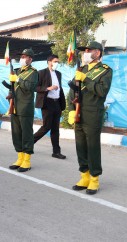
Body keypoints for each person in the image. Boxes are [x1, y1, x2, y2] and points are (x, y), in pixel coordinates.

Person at [68, 41, 112, 195]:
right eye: (84, 50)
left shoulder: (105, 71)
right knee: (80, 146)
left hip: (93, 114)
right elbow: (72, 92)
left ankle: (94, 179)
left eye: (88, 50)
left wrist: (86, 79)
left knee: (92, 147)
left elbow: (101, 91)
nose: (85, 53)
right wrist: (70, 110)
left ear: (98, 53)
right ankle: (84, 176)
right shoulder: (82, 69)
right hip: (79, 112)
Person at [8, 49, 38, 172]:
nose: (22, 59)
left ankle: (27, 160)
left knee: (26, 134)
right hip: (15, 105)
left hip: (25, 107)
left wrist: (18, 80)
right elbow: (12, 86)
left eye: (25, 56)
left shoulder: (33, 73)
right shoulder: (16, 71)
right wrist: (10, 94)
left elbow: (30, 87)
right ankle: (19, 158)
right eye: (21, 56)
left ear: (30, 59)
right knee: (16, 133)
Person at [34, 55, 66, 159]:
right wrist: (48, 88)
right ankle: (29, 143)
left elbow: (60, 89)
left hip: (57, 103)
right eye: (55, 61)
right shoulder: (41, 73)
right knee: (46, 127)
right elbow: (35, 87)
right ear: (49, 62)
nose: (57, 63)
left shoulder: (58, 74)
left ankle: (56, 152)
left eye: (58, 62)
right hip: (47, 103)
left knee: (55, 129)